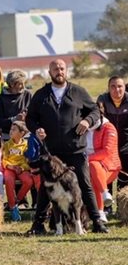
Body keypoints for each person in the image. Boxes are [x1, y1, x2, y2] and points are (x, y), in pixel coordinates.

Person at [26, 59, 109, 235]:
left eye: (62, 68)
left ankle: (97, 222)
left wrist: (87, 121)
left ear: (66, 71)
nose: (59, 71)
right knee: (44, 188)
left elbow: (95, 111)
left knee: (85, 185)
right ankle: (38, 225)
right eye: (55, 69)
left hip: (75, 149)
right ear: (50, 72)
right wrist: (36, 129)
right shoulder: (41, 95)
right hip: (51, 152)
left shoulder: (78, 92)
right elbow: (30, 118)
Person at [86, 105, 120, 222]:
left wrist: (87, 159)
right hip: (88, 167)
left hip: (109, 166)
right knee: (93, 171)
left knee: (94, 166)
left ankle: (101, 208)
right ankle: (103, 200)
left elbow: (107, 151)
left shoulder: (109, 127)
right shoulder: (82, 127)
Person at [1, 121, 39, 222]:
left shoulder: (26, 145)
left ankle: (15, 201)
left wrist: (22, 168)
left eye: (14, 130)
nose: (11, 131)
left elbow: (27, 161)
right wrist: (12, 167)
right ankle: (13, 208)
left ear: (22, 133)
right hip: (10, 168)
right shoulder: (7, 145)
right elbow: (4, 159)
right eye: (11, 129)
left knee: (29, 181)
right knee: (9, 180)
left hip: (22, 168)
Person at [97, 76, 128, 192]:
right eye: (113, 87)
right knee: (106, 175)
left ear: (124, 87)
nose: (117, 90)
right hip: (107, 145)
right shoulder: (102, 100)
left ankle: (123, 205)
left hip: (126, 144)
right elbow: (97, 118)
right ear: (108, 88)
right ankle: (107, 205)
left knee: (124, 177)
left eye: (120, 86)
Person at [0, 69, 32, 140]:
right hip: (7, 137)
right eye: (20, 84)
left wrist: (26, 117)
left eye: (24, 83)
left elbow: (34, 115)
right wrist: (15, 119)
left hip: (25, 135)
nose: (23, 86)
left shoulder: (28, 95)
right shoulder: (1, 98)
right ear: (12, 84)